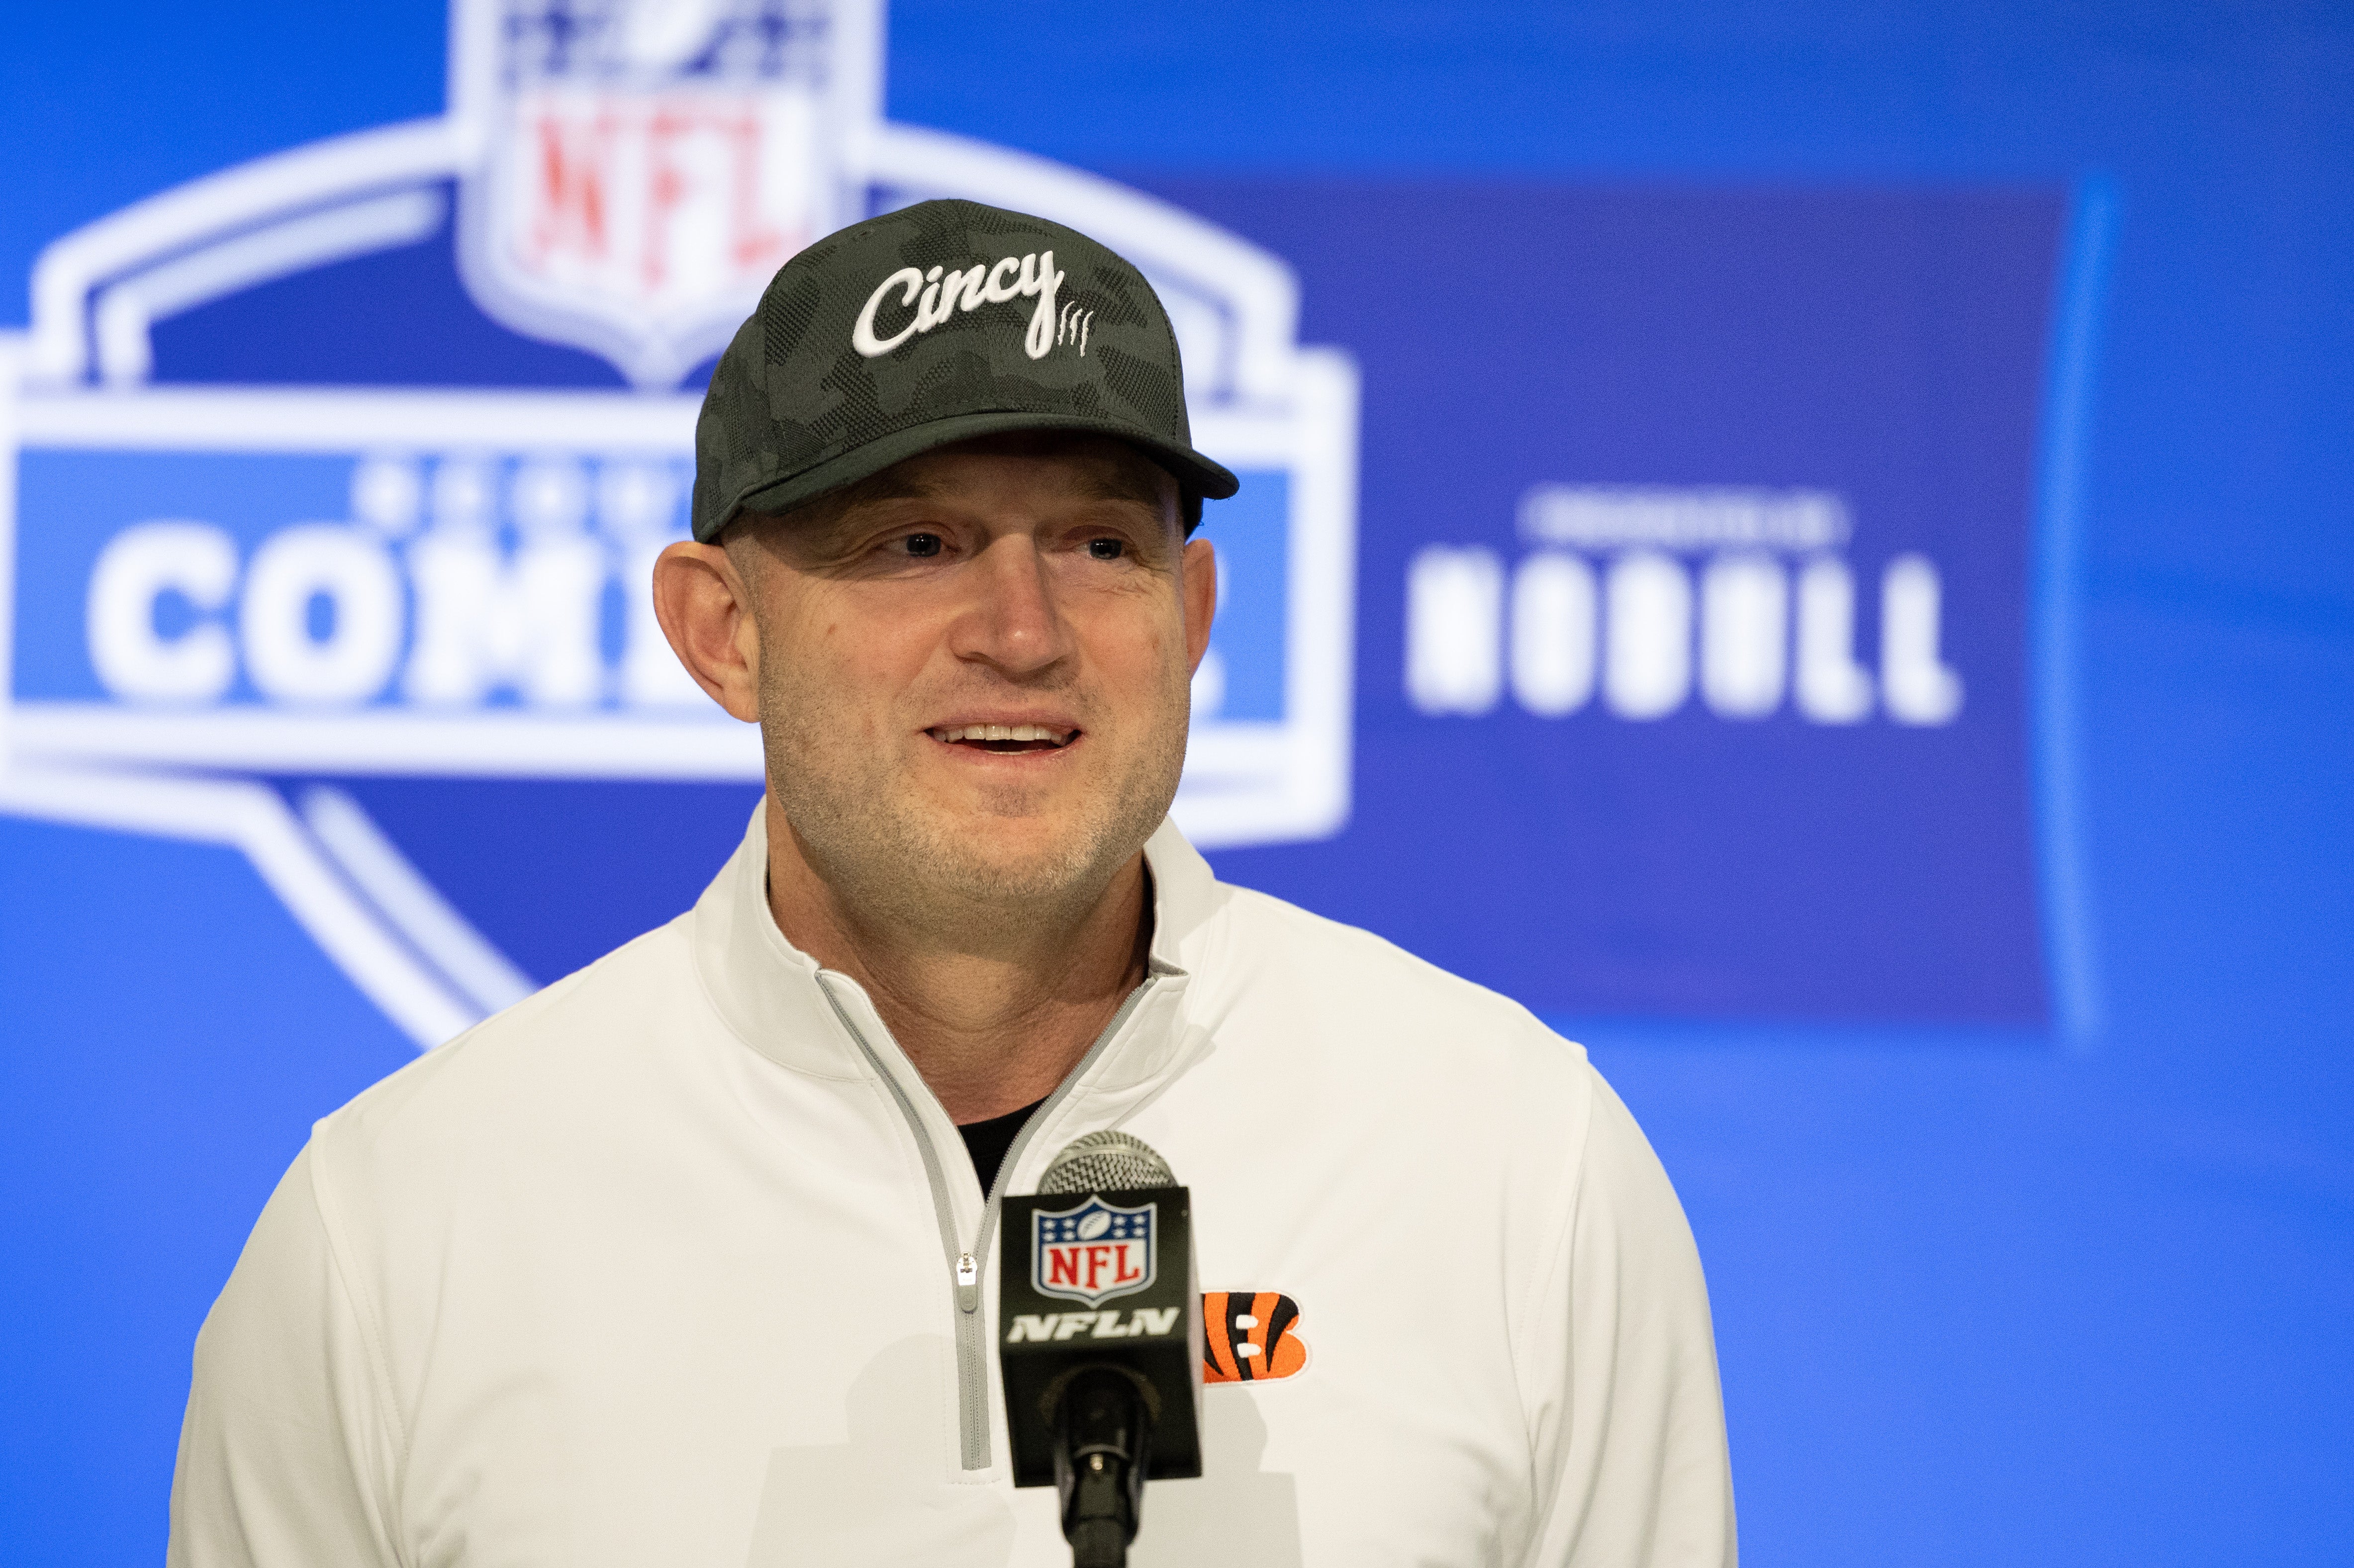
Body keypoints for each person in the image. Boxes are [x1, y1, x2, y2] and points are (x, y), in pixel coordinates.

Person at [167, 199, 1735, 1567]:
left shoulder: (1515, 1162)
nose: (1023, 628)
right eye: (915, 541)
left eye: (1099, 546)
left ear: (1191, 615)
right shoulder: (397, 1229)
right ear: (721, 630)